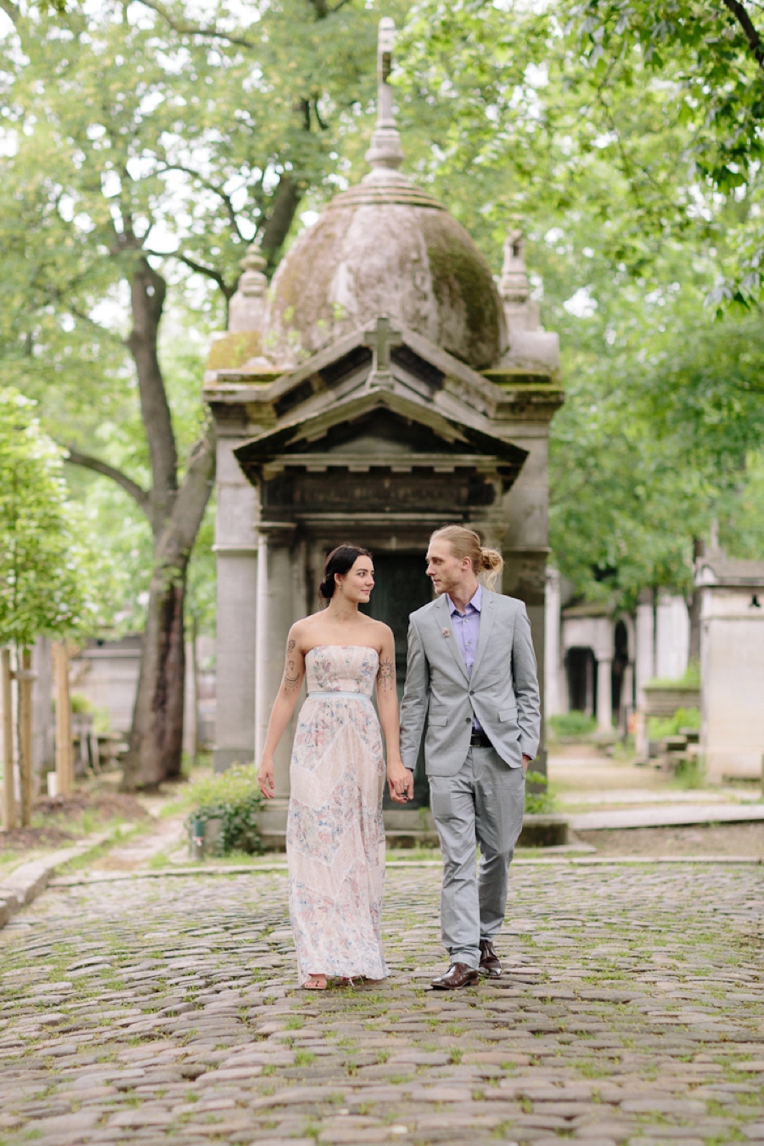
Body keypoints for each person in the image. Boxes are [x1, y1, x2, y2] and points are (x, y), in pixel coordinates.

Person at [258, 544, 413, 990]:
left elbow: (387, 697)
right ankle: (317, 956)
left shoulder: (381, 633)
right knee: (315, 840)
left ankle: (356, 949)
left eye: (372, 575)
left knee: (356, 842)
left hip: (362, 743)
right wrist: (267, 754)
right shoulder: (302, 631)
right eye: (362, 573)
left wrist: (395, 760)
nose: (370, 581)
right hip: (315, 740)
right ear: (339, 577)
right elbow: (288, 692)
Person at [399, 525, 540, 990]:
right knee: (457, 858)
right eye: (428, 560)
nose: (428, 569)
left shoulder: (512, 613)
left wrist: (525, 747)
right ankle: (462, 955)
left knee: (498, 852)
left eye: (436, 560)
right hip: (448, 758)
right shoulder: (422, 621)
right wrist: (405, 761)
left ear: (465, 562)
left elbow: (527, 689)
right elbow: (415, 699)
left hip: (501, 753)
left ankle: (484, 937)